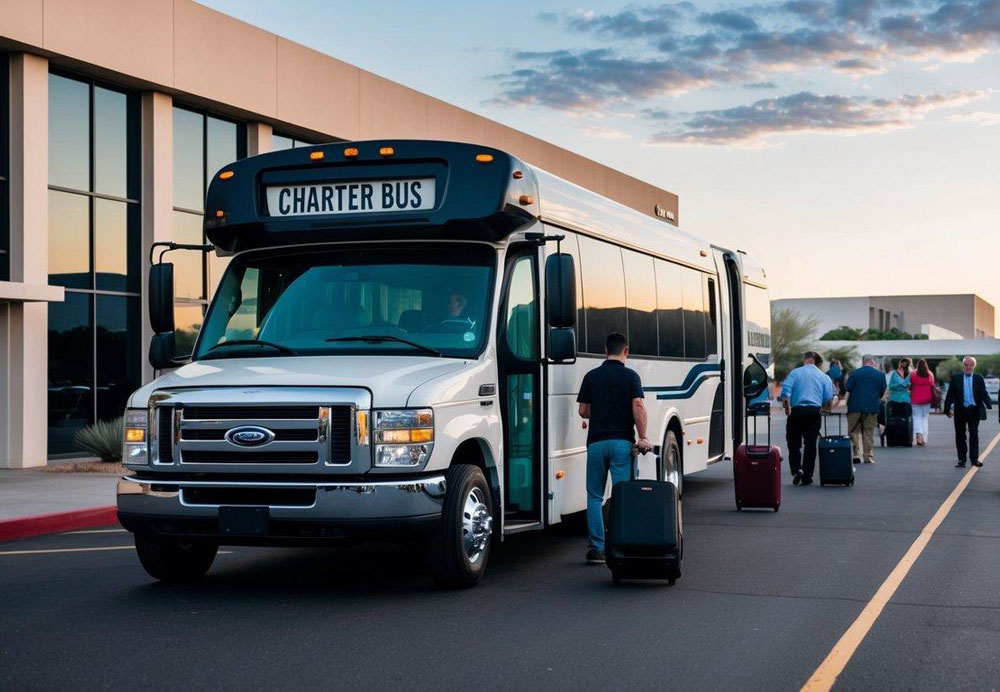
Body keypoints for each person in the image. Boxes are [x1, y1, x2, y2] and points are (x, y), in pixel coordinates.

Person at [577, 332, 649, 564]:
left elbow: (583, 411)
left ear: (604, 350)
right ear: (625, 351)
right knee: (622, 496)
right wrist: (643, 437)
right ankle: (621, 543)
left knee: (594, 496)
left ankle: (596, 549)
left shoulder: (591, 376)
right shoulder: (630, 377)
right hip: (622, 444)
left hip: (596, 444)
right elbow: (637, 405)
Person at [780, 351, 835, 486]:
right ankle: (807, 475)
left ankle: (796, 469)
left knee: (793, 443)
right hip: (814, 412)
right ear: (816, 361)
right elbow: (829, 398)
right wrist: (825, 409)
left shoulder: (795, 373)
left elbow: (786, 391)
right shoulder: (824, 376)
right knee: (810, 444)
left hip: (797, 412)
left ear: (805, 359)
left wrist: (787, 407)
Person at [944, 356, 992, 468]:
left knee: (974, 435)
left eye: (971, 365)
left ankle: (974, 459)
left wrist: (988, 403)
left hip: (974, 410)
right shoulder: (956, 378)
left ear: (974, 366)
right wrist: (947, 409)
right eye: (966, 365)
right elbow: (950, 394)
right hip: (960, 410)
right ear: (963, 366)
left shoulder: (978, 378)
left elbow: (983, 393)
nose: (968, 367)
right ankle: (962, 460)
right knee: (960, 436)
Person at [845, 354, 887, 464]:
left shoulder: (854, 373)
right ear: (872, 361)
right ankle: (868, 456)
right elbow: (883, 391)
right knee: (868, 431)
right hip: (872, 407)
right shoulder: (880, 375)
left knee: (853, 431)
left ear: (863, 362)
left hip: (855, 407)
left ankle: (856, 454)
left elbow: (848, 388)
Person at [910, 359, 936, 446]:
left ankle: (919, 437)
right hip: (927, 399)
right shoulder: (930, 374)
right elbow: (933, 385)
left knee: (917, 418)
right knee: (924, 418)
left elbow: (909, 386)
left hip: (915, 399)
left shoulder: (913, 374)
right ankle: (924, 438)